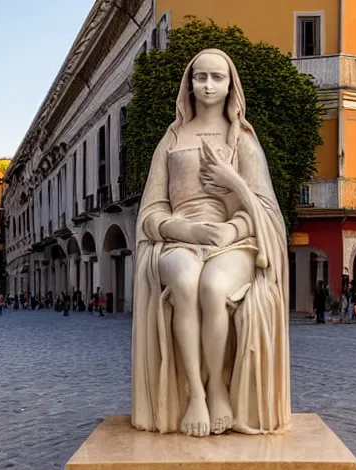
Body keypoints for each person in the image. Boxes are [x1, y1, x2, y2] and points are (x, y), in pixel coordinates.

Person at [132, 49, 290, 437]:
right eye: (200, 77)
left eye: (217, 78)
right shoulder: (171, 139)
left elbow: (265, 207)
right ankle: (196, 395)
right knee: (185, 280)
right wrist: (187, 232)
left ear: (230, 85)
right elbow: (151, 211)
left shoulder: (243, 140)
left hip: (235, 238)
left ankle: (219, 388)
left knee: (214, 286)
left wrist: (229, 219)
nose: (207, 85)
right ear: (189, 83)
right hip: (179, 239)